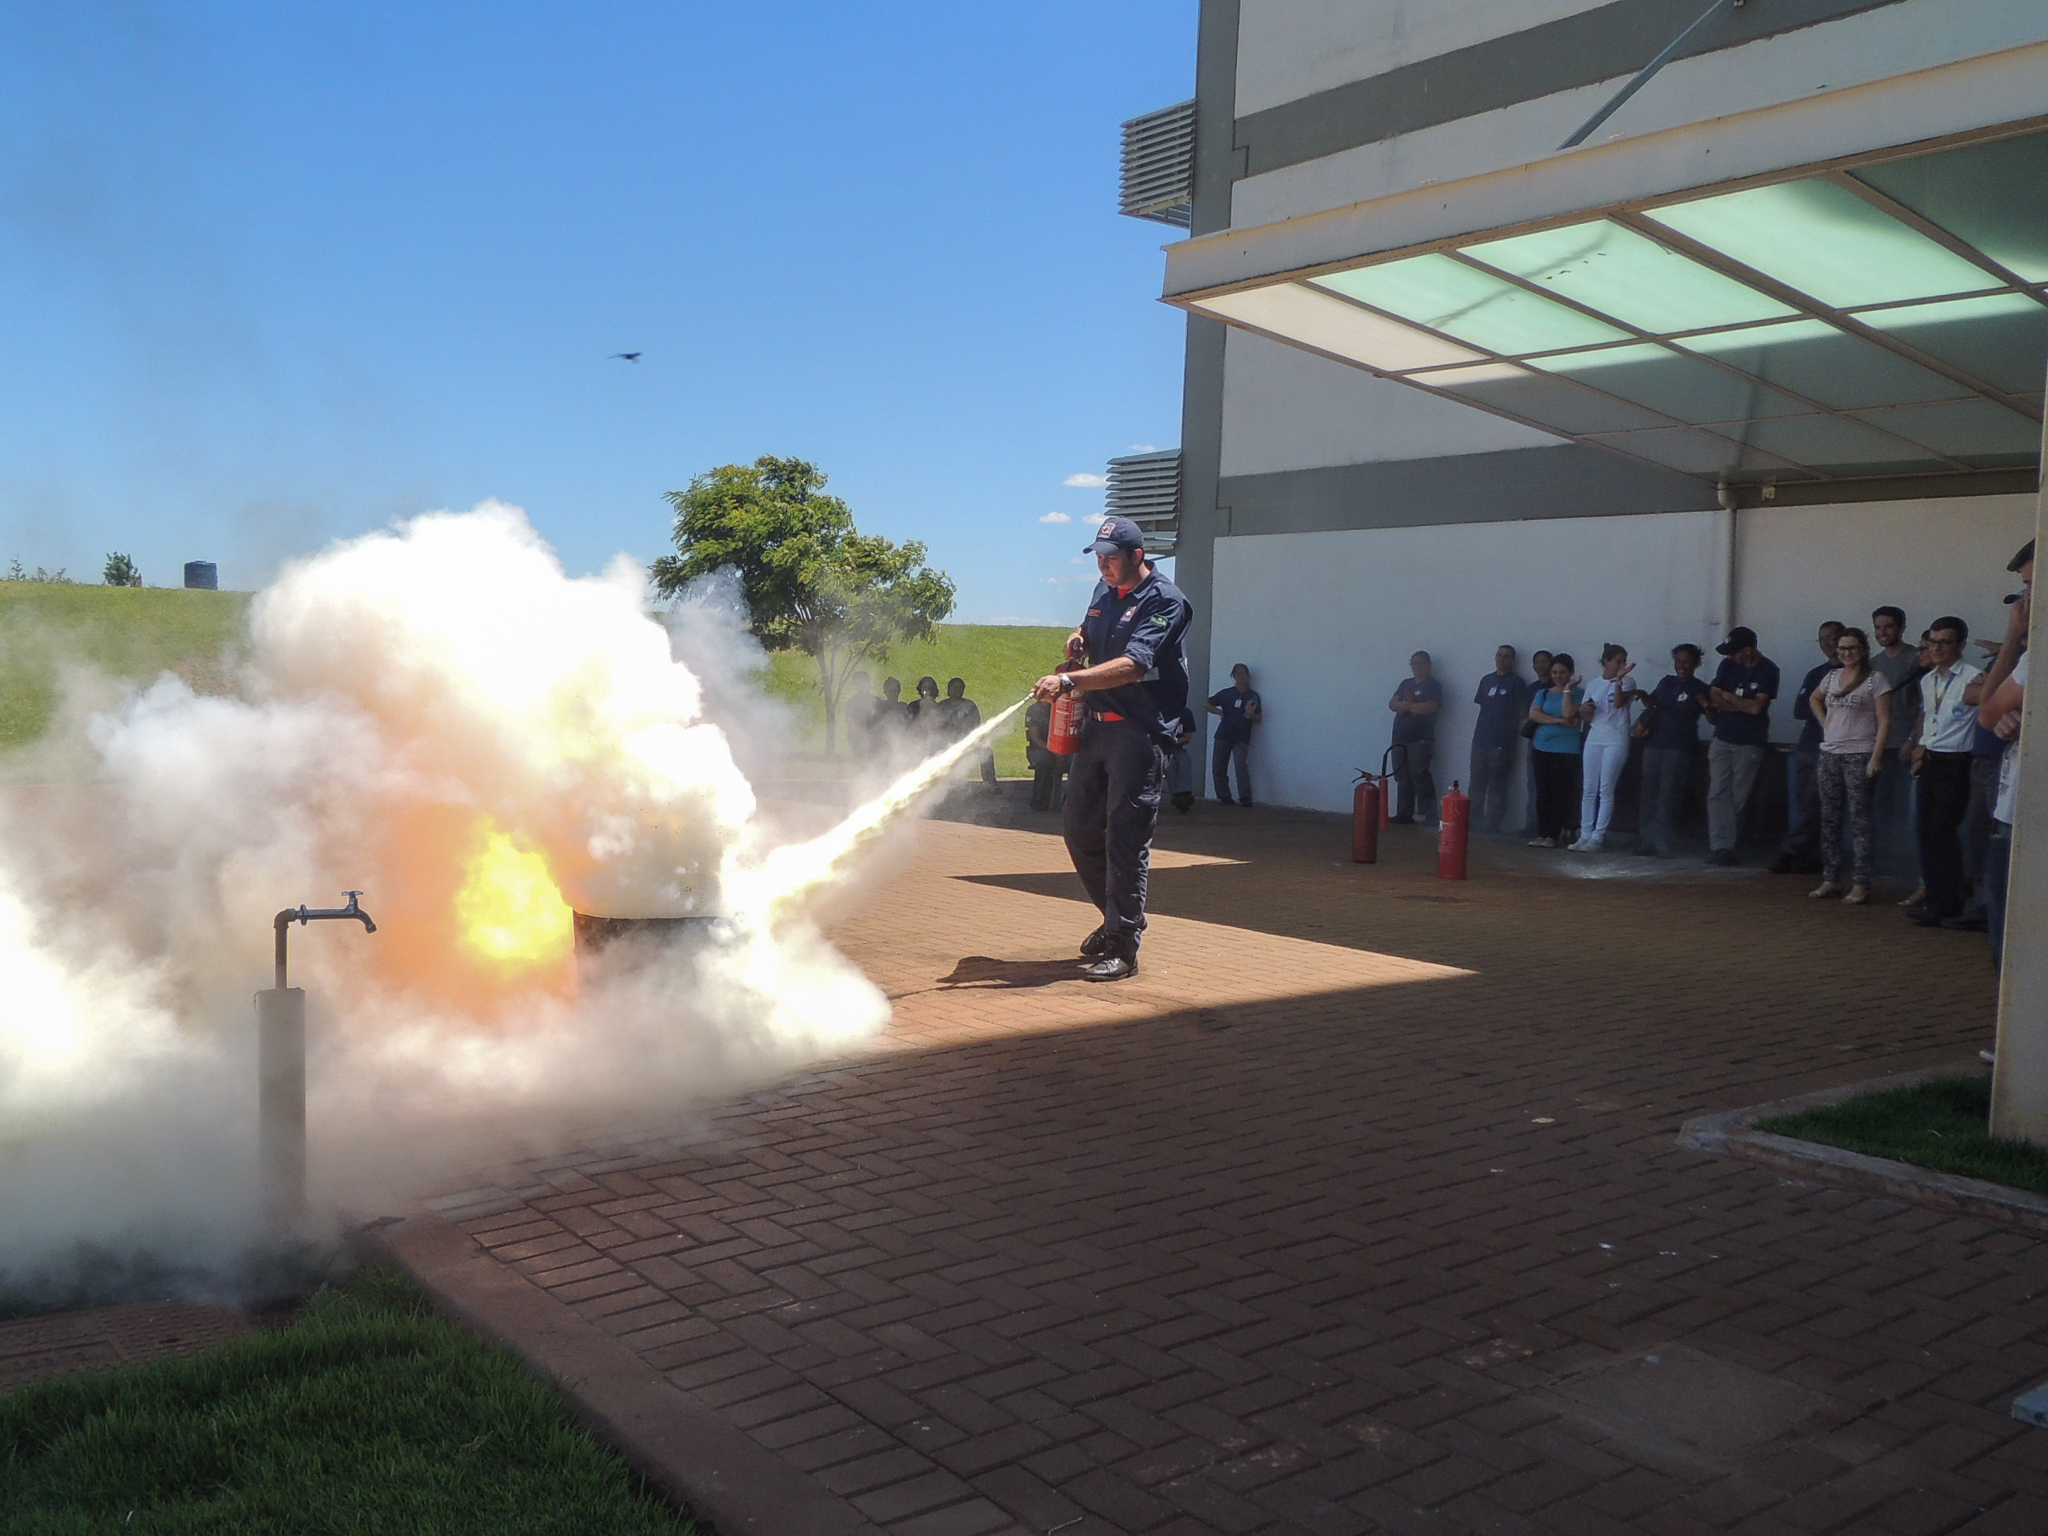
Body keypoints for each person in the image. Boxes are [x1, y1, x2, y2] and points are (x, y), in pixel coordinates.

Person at [1031, 514, 1193, 982]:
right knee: (1079, 829)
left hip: (1138, 734)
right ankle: (1114, 919)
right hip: (1096, 730)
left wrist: (1068, 679)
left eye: (1111, 558)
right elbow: (1093, 629)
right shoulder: (1104, 592)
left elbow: (1133, 664)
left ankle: (1123, 944)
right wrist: (1079, 639)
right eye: (1097, 558)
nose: (1102, 566)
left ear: (1137, 556)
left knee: (1126, 837)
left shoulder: (1166, 601)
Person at [1905, 618, 1983, 927]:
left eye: (1943, 643)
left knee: (1943, 830)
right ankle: (1935, 899)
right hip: (1931, 759)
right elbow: (1930, 718)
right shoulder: (1928, 680)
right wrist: (1918, 747)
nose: (1935, 649)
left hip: (1958, 761)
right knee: (1925, 830)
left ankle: (1949, 903)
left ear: (1960, 645)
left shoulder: (1973, 678)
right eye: (1931, 643)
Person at [1978, 539, 2032, 972]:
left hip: (2023, 818)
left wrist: (2013, 636)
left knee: (2012, 944)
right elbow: (1993, 716)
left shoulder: (2036, 658)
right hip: (2012, 808)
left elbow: (1988, 708)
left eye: (2031, 586)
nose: (2024, 600)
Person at [1810, 627, 1893, 905]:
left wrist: (1876, 757)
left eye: (1852, 648)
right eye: (1842, 649)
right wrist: (1826, 725)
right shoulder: (1832, 676)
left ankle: (1861, 882)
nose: (1846, 653)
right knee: (1830, 819)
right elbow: (1814, 698)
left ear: (1863, 651)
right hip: (1830, 753)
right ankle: (1831, 878)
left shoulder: (1875, 680)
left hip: (1860, 753)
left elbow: (1884, 721)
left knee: (1860, 820)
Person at [1768, 621, 1846, 875]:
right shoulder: (1816, 674)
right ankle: (1810, 855)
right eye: (1821, 638)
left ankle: (1790, 850)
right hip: (1809, 744)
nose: (1827, 643)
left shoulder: (1856, 673)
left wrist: (1827, 708)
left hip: (1838, 748)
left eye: (1832, 638)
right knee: (1806, 803)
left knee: (1817, 802)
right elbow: (1800, 709)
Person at [1704, 626, 1779, 865]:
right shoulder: (1728, 666)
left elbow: (1757, 708)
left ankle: (1731, 844)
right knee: (1717, 792)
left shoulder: (1768, 669)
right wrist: (1741, 704)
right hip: (1723, 736)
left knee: (1738, 795)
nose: (1730, 657)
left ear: (1749, 650)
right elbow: (1714, 695)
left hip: (1750, 742)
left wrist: (1729, 698)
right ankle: (1720, 847)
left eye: (1735, 652)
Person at [1635, 644, 1712, 858]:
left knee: (1669, 794)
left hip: (1680, 747)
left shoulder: (1700, 688)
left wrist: (1706, 706)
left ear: (1696, 663)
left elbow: (1714, 718)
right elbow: (1653, 703)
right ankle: (1646, 841)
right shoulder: (1667, 682)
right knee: (1648, 793)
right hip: (1654, 743)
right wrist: (1642, 696)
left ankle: (1664, 843)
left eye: (1686, 661)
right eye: (1678, 661)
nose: (1681, 665)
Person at [1569, 644, 1640, 852]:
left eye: (1623, 661)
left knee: (1606, 788)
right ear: (1606, 662)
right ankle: (1585, 833)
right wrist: (1583, 710)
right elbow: (1587, 714)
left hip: (1616, 738)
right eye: (1618, 661)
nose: (1622, 665)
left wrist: (1617, 681)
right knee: (1589, 789)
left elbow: (1618, 704)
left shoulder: (1628, 681)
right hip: (1595, 736)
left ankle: (1598, 836)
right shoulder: (1593, 684)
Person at [1870, 605, 1922, 877]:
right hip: (1878, 747)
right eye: (1878, 627)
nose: (1882, 632)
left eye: (1888, 626)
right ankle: (1883, 863)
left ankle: (1908, 866)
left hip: (1906, 745)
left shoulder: (1916, 658)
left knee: (1906, 809)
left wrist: (1913, 740)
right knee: (1880, 807)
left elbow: (1925, 705)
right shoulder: (1874, 663)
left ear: (1901, 627)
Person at [1526, 654, 1584, 849]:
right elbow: (1534, 715)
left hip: (1567, 750)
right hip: (1542, 747)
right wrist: (1560, 721)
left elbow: (1569, 712)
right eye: (1555, 672)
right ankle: (1542, 833)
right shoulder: (1543, 693)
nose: (1558, 676)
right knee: (1543, 791)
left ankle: (1553, 834)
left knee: (1560, 792)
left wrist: (1567, 691)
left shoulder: (1579, 693)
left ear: (1570, 673)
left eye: (1562, 672)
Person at [1468, 645, 1528, 834]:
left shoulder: (1517, 682)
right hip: (1481, 739)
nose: (1502, 659)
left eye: (1506, 656)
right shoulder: (1486, 680)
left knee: (1497, 783)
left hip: (1503, 741)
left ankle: (1493, 823)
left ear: (1513, 660)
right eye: (1499, 655)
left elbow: (1522, 712)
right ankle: (1473, 820)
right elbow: (1482, 705)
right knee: (1477, 781)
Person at [1387, 651, 1442, 825]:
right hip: (1400, 736)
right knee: (1401, 775)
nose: (1417, 667)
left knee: (1420, 775)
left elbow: (1430, 707)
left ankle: (1430, 815)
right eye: (1414, 663)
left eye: (1421, 663)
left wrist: (1406, 706)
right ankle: (1404, 813)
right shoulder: (1406, 683)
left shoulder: (1433, 685)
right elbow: (1392, 704)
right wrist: (1408, 706)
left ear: (1428, 665)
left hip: (1421, 738)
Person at [1206, 662, 1261, 806]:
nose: (1241, 676)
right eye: (1238, 674)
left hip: (1242, 736)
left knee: (1240, 764)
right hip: (1223, 734)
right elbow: (1207, 703)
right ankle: (1224, 797)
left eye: (1243, 673)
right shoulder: (1226, 693)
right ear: (1233, 676)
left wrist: (1251, 714)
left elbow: (1259, 718)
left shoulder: (1253, 696)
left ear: (1248, 676)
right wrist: (1218, 711)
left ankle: (1245, 798)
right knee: (1219, 766)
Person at [935, 677, 999, 789]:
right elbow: (937, 727)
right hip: (946, 742)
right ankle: (940, 785)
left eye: (960, 688)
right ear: (949, 690)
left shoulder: (970, 705)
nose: (958, 690)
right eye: (955, 687)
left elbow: (976, 725)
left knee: (986, 751)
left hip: (967, 741)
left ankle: (990, 783)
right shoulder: (942, 706)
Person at [1522, 650, 1554, 836]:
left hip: (1554, 740)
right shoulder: (1531, 688)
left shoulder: (1556, 686)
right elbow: (1524, 713)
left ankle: (1546, 828)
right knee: (1532, 783)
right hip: (1534, 739)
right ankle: (1531, 825)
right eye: (1538, 662)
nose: (1541, 665)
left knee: (1548, 785)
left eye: (1545, 661)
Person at [1024, 696, 1065, 812]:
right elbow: (1035, 738)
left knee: (1075, 762)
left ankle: (1071, 802)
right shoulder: (1034, 710)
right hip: (1040, 748)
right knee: (1044, 761)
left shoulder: (1061, 709)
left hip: (1061, 749)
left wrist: (1061, 751)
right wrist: (1053, 750)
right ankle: (1039, 800)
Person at [1165, 707, 1198, 813]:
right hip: (1161, 748)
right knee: (1170, 765)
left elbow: (1187, 737)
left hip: (1177, 747)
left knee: (1185, 761)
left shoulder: (1186, 713)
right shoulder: (1158, 711)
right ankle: (1177, 795)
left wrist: (1174, 741)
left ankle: (1186, 793)